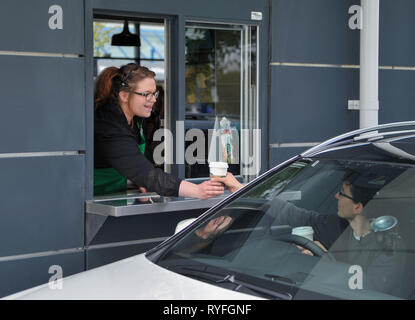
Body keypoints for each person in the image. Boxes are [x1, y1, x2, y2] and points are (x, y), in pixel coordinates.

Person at [207, 173, 406, 295]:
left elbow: (370, 289)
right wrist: (242, 189)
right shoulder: (336, 225)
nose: (336, 196)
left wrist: (325, 259)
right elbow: (294, 215)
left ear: (358, 207)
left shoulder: (389, 247)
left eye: (342, 194)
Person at [94, 63, 224, 199]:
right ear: (124, 95)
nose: (154, 99)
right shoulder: (108, 126)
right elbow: (146, 174)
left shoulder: (135, 120)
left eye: (154, 93)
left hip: (113, 196)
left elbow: (137, 162)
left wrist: (141, 182)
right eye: (146, 94)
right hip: (92, 201)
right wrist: (197, 191)